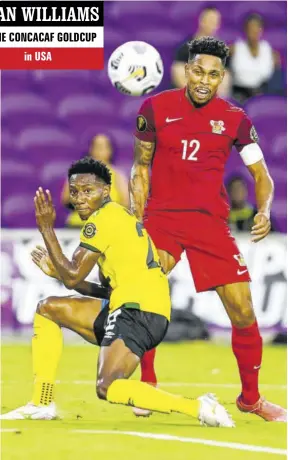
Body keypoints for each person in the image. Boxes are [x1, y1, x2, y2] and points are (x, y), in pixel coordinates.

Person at [0, 157, 234, 428]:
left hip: (138, 311)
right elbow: (93, 286)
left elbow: (73, 274)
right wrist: (59, 272)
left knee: (107, 386)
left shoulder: (102, 220)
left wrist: (47, 229)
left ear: (106, 191)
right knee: (49, 309)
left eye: (88, 191)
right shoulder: (116, 217)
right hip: (135, 306)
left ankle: (198, 407)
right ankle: (42, 402)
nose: (80, 198)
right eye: (75, 192)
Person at [129, 37, 286, 422]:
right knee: (150, 299)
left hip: (209, 224)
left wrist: (263, 209)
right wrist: (136, 217)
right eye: (198, 71)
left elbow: (261, 174)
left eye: (214, 74)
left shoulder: (234, 117)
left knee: (244, 312)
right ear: (186, 69)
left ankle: (250, 399)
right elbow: (141, 167)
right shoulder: (155, 108)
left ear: (223, 77)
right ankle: (147, 385)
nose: (204, 80)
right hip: (163, 219)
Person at [61, 134, 129, 227]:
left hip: (107, 225)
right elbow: (65, 199)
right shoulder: (77, 172)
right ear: (90, 149)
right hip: (79, 225)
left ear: (110, 150)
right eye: (97, 146)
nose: (100, 150)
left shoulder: (118, 175)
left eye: (104, 146)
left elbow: (125, 203)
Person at [171, 6, 231, 97]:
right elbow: (179, 76)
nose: (213, 25)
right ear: (202, 21)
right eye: (210, 20)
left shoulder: (223, 51)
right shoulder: (185, 48)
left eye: (216, 22)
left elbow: (225, 79)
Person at [229, 14, 282, 103]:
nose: (254, 31)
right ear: (245, 30)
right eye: (251, 28)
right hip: (238, 94)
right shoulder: (234, 48)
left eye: (257, 27)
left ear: (261, 30)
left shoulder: (270, 52)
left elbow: (277, 78)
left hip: (263, 93)